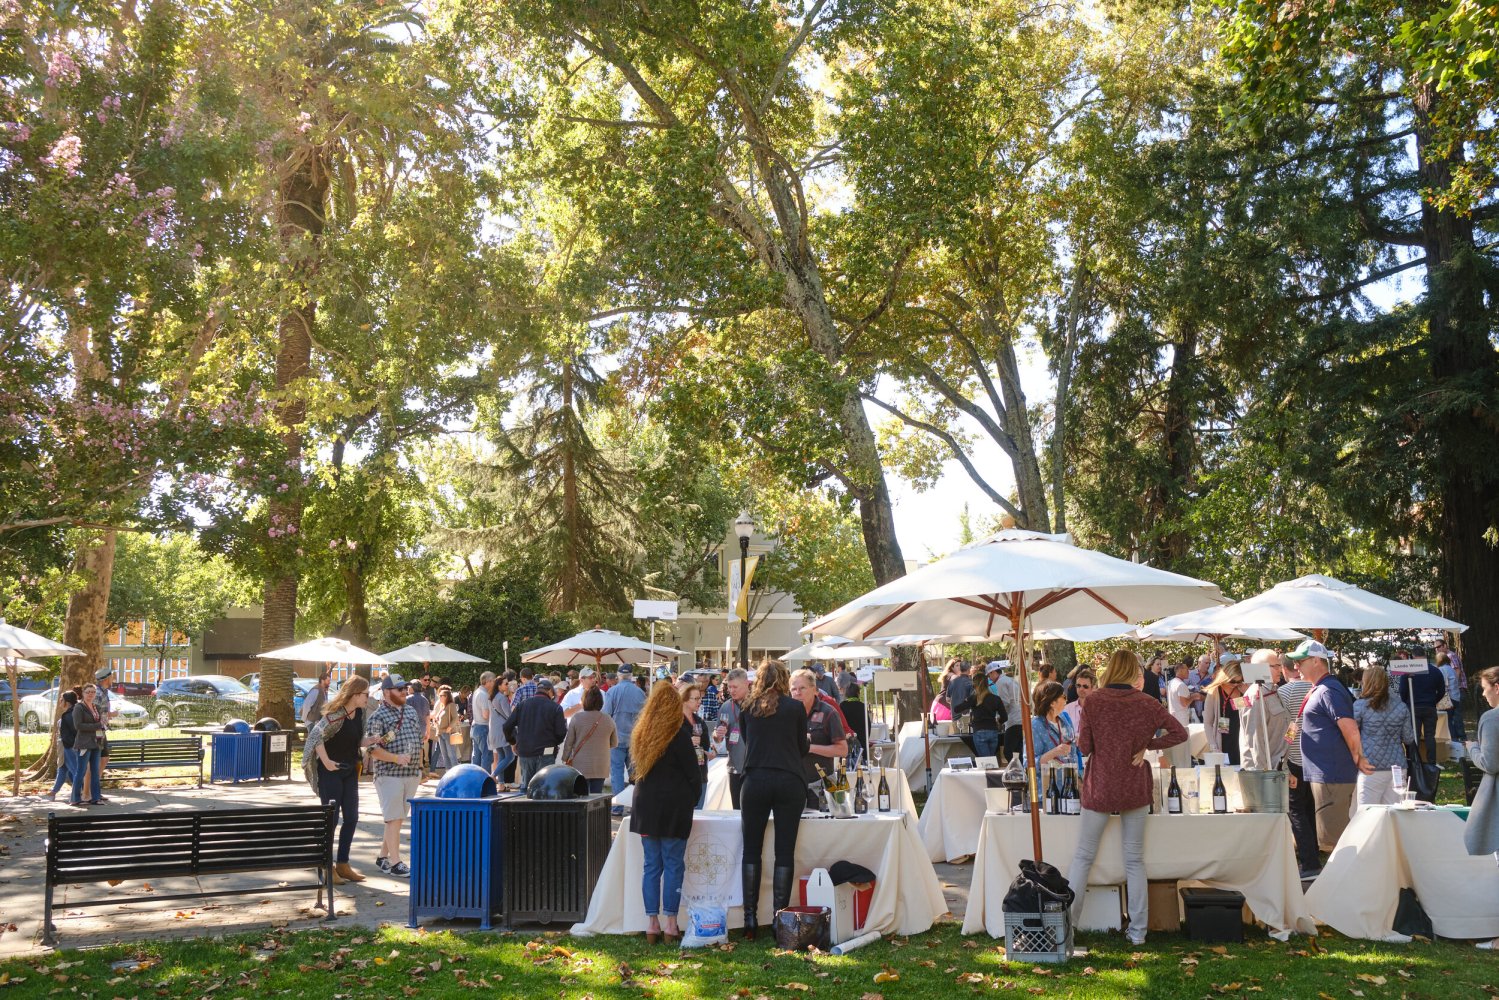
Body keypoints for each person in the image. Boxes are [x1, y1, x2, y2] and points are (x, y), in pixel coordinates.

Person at [1065, 649, 1187, 946]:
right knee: (1134, 860)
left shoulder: (1093, 701)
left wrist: (1139, 743)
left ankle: (1065, 929)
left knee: (1082, 857)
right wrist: (1148, 744)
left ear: (1109, 669)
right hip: (1134, 785)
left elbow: (1083, 748)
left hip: (1101, 784)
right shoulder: (1146, 703)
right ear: (1134, 671)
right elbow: (1180, 733)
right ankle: (1138, 933)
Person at [739, 662, 809, 940]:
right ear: (783, 680)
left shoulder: (747, 707)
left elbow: (746, 741)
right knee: (784, 851)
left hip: (755, 779)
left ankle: (749, 920)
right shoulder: (794, 708)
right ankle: (779, 917)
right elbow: (802, 747)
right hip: (789, 780)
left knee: (751, 850)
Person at [629, 681, 703, 945]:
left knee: (651, 865)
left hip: (647, 805)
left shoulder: (641, 733)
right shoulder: (678, 734)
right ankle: (670, 923)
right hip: (674, 805)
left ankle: (652, 923)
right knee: (672, 864)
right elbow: (693, 775)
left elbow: (633, 772)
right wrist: (693, 800)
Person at [1287, 639, 1372, 859]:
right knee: (1333, 841)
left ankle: (1343, 888)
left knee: (1337, 843)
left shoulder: (1328, 690)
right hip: (1326, 774)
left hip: (1332, 776)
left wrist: (1358, 758)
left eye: (1300, 661)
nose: (1296, 666)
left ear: (1316, 661)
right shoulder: (1322, 688)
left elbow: (1350, 728)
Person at [306, 675, 370, 884]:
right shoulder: (335, 714)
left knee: (351, 817)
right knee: (331, 820)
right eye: (365, 694)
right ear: (355, 694)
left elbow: (355, 739)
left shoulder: (358, 713)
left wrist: (372, 740)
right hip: (331, 771)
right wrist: (325, 761)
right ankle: (327, 866)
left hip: (350, 770)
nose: (368, 698)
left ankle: (343, 864)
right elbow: (316, 737)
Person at [364, 674, 423, 878]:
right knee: (395, 818)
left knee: (395, 819)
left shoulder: (411, 711)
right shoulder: (377, 717)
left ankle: (383, 857)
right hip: (389, 774)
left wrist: (420, 767)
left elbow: (418, 738)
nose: (404, 692)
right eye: (400, 689)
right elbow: (372, 749)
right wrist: (395, 758)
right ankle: (396, 862)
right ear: (387, 692)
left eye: (405, 688)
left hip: (411, 773)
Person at [1275, 656, 1321, 877]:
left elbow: (1286, 729)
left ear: (1285, 669)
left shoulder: (1283, 693)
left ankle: (1309, 861)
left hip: (1293, 757)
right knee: (1310, 808)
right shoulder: (1315, 688)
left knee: (1296, 811)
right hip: (1315, 759)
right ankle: (1314, 852)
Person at [1464, 666, 1499, 949]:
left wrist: (1471, 748)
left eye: (1486, 688)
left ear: (1497, 687)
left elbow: (1491, 763)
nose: (1484, 694)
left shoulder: (1491, 718)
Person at [1353, 667, 1415, 807]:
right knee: (1394, 815)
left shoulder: (1360, 706)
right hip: (1397, 767)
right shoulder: (1401, 706)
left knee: (1367, 816)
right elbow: (1408, 738)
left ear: (1366, 682)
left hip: (1370, 766)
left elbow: (1352, 735)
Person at [791, 668, 848, 806]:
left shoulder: (828, 713)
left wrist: (809, 747)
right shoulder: (786, 715)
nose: (797, 693)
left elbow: (842, 750)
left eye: (802, 688)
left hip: (822, 787)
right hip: (793, 786)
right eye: (793, 689)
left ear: (814, 689)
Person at [503, 676, 568, 786]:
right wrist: (553, 743)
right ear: (549, 691)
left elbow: (506, 726)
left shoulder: (522, 705)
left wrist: (513, 741)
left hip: (525, 751)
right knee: (544, 787)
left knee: (527, 787)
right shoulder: (555, 707)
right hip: (546, 751)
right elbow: (561, 732)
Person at [604, 663, 647, 815]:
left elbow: (605, 714)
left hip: (616, 738)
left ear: (618, 675)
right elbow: (645, 717)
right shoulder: (640, 693)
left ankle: (617, 806)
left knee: (616, 774)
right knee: (635, 774)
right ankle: (636, 805)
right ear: (631, 675)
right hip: (635, 739)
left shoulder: (612, 691)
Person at [1239, 649, 1291, 770]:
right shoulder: (1255, 695)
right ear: (1261, 668)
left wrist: (1286, 768)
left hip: (1278, 767)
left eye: (1280, 665)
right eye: (1276, 666)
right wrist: (1264, 774)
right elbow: (1255, 739)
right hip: (1264, 773)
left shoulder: (1273, 691)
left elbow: (1286, 725)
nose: (1280, 670)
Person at [560, 686, 617, 793]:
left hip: (580, 764)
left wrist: (565, 758)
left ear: (584, 701)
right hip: (601, 764)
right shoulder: (608, 719)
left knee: (581, 796)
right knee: (596, 797)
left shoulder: (577, 718)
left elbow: (569, 742)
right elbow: (614, 743)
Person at [1399, 644, 1446, 763]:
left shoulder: (1407, 671)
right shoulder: (1435, 671)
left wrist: (1407, 702)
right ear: (1425, 656)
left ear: (1412, 656)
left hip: (1413, 707)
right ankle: (1431, 761)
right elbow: (1442, 691)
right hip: (1429, 706)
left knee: (1414, 736)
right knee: (1430, 736)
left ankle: (1414, 761)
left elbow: (1402, 691)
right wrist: (1433, 700)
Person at [713, 667, 751, 808]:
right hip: (734, 767)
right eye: (729, 687)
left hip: (755, 768)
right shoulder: (726, 707)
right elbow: (717, 738)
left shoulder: (757, 704)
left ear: (747, 684)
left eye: (735, 687)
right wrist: (717, 735)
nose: (732, 690)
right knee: (737, 809)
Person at [954, 671, 1007, 760]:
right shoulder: (996, 699)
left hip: (979, 731)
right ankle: (991, 773)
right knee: (991, 760)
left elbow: (957, 709)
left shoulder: (974, 699)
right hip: (993, 732)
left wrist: (966, 701)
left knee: (986, 762)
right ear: (987, 684)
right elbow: (1005, 717)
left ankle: (988, 773)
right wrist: (998, 723)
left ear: (974, 685)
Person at [679, 681, 716, 807]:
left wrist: (712, 751)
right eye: (695, 699)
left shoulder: (699, 721)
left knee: (698, 814)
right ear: (684, 700)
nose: (699, 701)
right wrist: (686, 742)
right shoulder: (675, 722)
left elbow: (706, 745)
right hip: (682, 776)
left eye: (700, 698)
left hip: (700, 774)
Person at [1202, 660, 1246, 766]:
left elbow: (1247, 712)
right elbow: (1208, 722)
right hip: (1223, 740)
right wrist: (1213, 746)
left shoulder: (1242, 690)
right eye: (1232, 681)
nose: (1235, 684)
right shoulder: (1214, 692)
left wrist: (1246, 693)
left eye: (1239, 681)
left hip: (1241, 739)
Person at [70, 684, 105, 806]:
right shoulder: (79, 707)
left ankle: (95, 798)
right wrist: (97, 726)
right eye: (88, 692)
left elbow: (100, 723)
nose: (91, 694)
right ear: (83, 693)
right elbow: (78, 726)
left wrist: (103, 727)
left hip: (96, 743)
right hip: (84, 743)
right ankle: (75, 798)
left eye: (93, 692)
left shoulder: (96, 707)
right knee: (81, 771)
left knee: (95, 771)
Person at [1027, 681, 1073, 769]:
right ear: (1052, 703)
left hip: (1069, 779)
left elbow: (1073, 751)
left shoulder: (1065, 718)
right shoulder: (1035, 726)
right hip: (1048, 781)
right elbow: (1029, 764)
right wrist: (1054, 752)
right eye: (1063, 696)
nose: (1066, 699)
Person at [1165, 662, 1197, 769]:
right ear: (1181, 670)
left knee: (1177, 752)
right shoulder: (1181, 685)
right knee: (1183, 752)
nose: (1189, 672)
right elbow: (1184, 703)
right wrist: (1194, 696)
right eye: (1187, 670)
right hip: (1182, 722)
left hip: (1174, 719)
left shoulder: (1171, 683)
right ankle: (1183, 771)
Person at [50, 689, 80, 801]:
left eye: (61, 700)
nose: (60, 702)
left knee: (74, 769)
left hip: (68, 745)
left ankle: (80, 793)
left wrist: (69, 743)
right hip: (66, 745)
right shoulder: (72, 712)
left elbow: (74, 730)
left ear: (66, 702)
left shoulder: (69, 714)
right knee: (63, 768)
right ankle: (53, 792)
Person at [488, 673, 516, 785]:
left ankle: (501, 783)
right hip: (502, 731)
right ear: (499, 685)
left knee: (501, 757)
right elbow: (509, 715)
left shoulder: (492, 697)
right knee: (510, 757)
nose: (507, 686)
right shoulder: (502, 697)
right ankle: (493, 775)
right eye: (506, 684)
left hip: (494, 730)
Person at [992, 662, 1023, 757]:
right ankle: (1019, 770)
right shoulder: (1010, 680)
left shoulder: (1000, 682)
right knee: (1018, 751)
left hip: (1013, 720)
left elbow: (1004, 702)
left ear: (993, 673)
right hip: (1020, 718)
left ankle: (1016, 770)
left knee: (1008, 752)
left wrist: (999, 716)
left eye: (989, 675)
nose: (989, 678)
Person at [1436, 651, 1466, 744]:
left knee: (1448, 720)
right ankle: (1462, 737)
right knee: (1457, 718)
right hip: (1456, 696)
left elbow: (1443, 684)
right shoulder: (1451, 669)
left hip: (1448, 698)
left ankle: (1453, 740)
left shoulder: (1442, 669)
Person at [428, 686, 458, 774]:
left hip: (447, 733)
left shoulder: (451, 705)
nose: (440, 697)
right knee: (445, 755)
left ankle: (456, 772)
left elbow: (455, 718)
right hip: (440, 733)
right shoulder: (442, 706)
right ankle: (448, 772)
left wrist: (450, 727)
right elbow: (437, 717)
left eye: (442, 696)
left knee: (451, 754)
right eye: (440, 695)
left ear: (447, 696)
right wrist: (435, 720)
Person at [405, 677, 432, 774]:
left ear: (412, 688)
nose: (408, 689)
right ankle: (420, 766)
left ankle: (411, 769)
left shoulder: (408, 699)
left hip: (410, 728)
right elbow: (427, 717)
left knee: (410, 748)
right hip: (422, 728)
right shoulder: (425, 699)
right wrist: (428, 732)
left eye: (409, 687)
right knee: (420, 748)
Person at [470, 671, 496, 770]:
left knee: (476, 756)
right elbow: (486, 715)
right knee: (487, 756)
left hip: (476, 727)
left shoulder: (477, 692)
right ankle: (485, 779)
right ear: (488, 681)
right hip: (483, 727)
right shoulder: (483, 695)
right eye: (493, 681)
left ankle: (475, 778)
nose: (494, 683)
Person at [1060, 668, 1096, 736]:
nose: (1081, 689)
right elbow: (1062, 733)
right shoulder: (1067, 709)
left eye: (1085, 686)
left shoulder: (1098, 709)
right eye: (1078, 685)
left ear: (1093, 688)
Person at [840, 683, 868, 763]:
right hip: (862, 743)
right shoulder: (862, 706)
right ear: (858, 693)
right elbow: (868, 726)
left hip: (847, 743)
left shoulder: (842, 706)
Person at [932, 658, 961, 723]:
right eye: (957, 665)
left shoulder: (949, 675)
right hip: (943, 706)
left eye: (960, 665)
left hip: (941, 704)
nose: (959, 667)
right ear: (952, 667)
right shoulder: (951, 675)